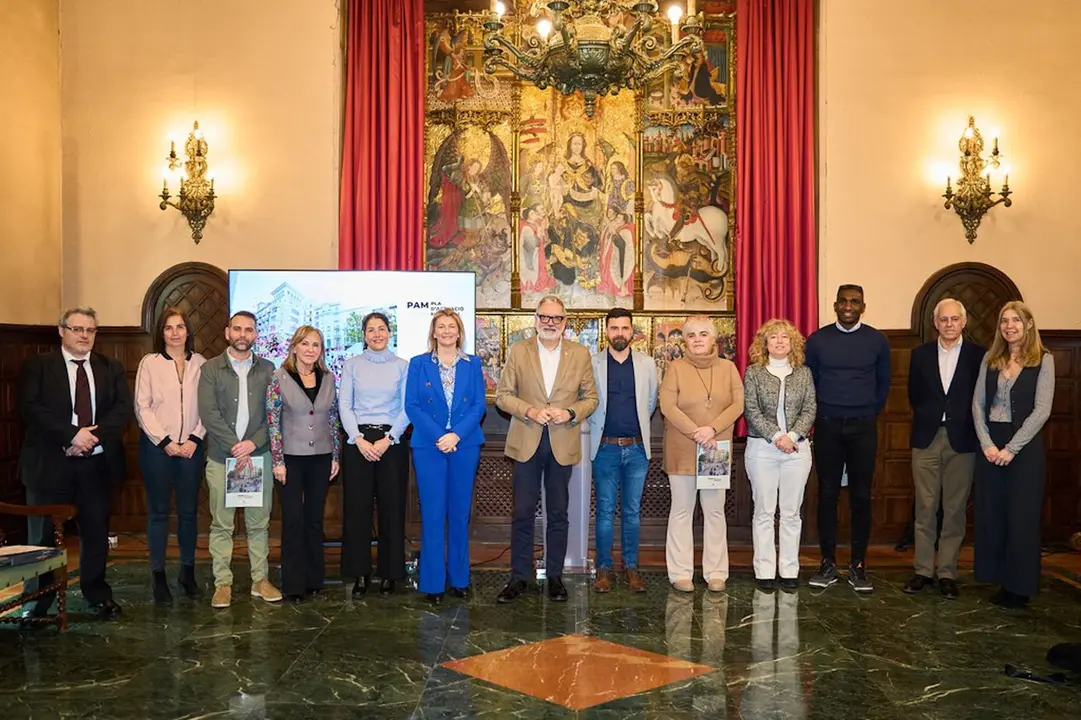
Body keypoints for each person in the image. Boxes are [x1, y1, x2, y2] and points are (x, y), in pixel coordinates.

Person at [17, 306, 132, 619]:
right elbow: (30, 408)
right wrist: (71, 436)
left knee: (95, 533)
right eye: (77, 329)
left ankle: (96, 593)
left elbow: (122, 410)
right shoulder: (38, 365)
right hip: (50, 464)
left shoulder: (111, 366)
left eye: (90, 330)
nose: (84, 335)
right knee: (41, 539)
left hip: (95, 465)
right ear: (61, 331)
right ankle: (38, 601)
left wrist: (89, 439)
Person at [494, 295, 598, 603]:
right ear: (536, 319)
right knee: (523, 512)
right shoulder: (519, 351)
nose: (549, 323)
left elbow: (591, 399)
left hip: (562, 439)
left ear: (565, 322)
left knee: (558, 512)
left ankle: (555, 576)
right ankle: (519, 577)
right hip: (526, 439)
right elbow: (502, 396)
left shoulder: (580, 354)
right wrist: (529, 411)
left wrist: (569, 413)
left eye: (556, 318)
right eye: (544, 317)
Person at [805, 284, 890, 593]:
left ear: (863, 306)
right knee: (827, 494)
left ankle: (858, 565)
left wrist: (866, 410)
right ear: (835, 305)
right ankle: (827, 563)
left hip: (863, 427)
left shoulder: (877, 341)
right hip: (827, 425)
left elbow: (883, 384)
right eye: (844, 301)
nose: (849, 306)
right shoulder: (818, 340)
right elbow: (810, 381)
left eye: (855, 301)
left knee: (861, 496)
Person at [972, 301, 1055, 609]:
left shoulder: (1043, 360)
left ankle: (1019, 587)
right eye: (1004, 321)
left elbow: (1042, 410)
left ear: (1028, 325)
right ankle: (999, 580)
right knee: (993, 515)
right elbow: (978, 405)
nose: (1009, 326)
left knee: (1022, 519)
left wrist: (1011, 449)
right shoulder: (990, 359)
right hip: (992, 444)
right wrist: (987, 444)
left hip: (1025, 448)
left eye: (1016, 321)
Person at [197, 310, 280, 608]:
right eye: (238, 329)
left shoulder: (270, 369)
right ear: (227, 332)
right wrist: (236, 446)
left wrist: (251, 445)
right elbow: (209, 414)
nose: (243, 334)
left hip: (258, 459)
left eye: (249, 330)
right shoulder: (210, 369)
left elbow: (273, 417)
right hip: (223, 458)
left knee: (259, 524)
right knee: (222, 525)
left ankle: (260, 579)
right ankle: (223, 583)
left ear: (256, 335)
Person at [904, 299, 985, 600]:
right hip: (926, 438)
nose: (949, 324)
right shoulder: (920, 355)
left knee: (953, 509)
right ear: (935, 323)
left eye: (955, 319)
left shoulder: (980, 356)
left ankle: (947, 572)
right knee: (925, 507)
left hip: (962, 440)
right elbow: (915, 394)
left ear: (964, 322)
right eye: (943, 319)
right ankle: (923, 570)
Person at [405, 309, 486, 605]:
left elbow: (478, 406)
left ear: (459, 332)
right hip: (429, 446)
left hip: (464, 445)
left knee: (459, 513)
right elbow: (412, 405)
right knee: (433, 514)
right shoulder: (418, 364)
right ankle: (433, 583)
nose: (447, 331)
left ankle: (460, 579)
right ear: (434, 332)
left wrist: (456, 435)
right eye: (442, 326)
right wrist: (440, 435)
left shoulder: (472, 364)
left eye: (452, 326)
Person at [659, 315, 743, 593]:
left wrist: (712, 429)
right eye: (692, 335)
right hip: (682, 448)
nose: (697, 339)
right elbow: (668, 406)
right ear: (685, 340)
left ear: (713, 338)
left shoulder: (728, 368)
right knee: (682, 511)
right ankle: (680, 572)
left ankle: (716, 571)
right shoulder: (675, 368)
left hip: (715, 451)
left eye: (703, 334)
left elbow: (737, 404)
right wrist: (697, 432)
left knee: (714, 511)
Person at [134, 306, 207, 604]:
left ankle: (187, 573)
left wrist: (193, 438)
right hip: (157, 449)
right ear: (161, 332)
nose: (175, 332)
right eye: (169, 327)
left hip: (192, 448)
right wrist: (164, 441)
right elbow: (142, 406)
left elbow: (208, 406)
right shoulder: (149, 363)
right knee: (159, 513)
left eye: (180, 327)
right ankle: (158, 576)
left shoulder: (201, 363)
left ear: (188, 331)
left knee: (189, 513)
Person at [266, 325, 341, 602]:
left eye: (316, 345)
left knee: (314, 519)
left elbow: (333, 419)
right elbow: (273, 421)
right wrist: (277, 460)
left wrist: (335, 455)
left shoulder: (329, 378)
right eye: (306, 344)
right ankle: (293, 584)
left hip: (321, 458)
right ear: (295, 346)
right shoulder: (279, 377)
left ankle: (314, 579)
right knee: (293, 520)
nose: (311, 350)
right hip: (290, 460)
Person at [339, 312, 410, 597]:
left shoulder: (402, 366)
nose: (377, 334)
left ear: (390, 332)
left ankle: (390, 574)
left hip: (391, 442)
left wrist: (389, 438)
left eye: (382, 329)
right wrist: (357, 438)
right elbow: (345, 404)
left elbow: (408, 406)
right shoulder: (352, 364)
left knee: (392, 509)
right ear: (363, 335)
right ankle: (359, 573)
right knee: (357, 510)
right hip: (358, 442)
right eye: (371, 330)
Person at [587, 308, 658, 594]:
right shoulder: (592, 364)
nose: (619, 333)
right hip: (604, 449)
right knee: (604, 512)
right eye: (614, 328)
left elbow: (650, 402)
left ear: (632, 331)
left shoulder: (647, 364)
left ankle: (631, 568)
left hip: (637, 450)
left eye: (624, 328)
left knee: (632, 512)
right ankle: (603, 569)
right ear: (606, 331)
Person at [743, 319, 816, 591]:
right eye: (773, 338)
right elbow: (751, 410)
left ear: (793, 343)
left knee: (791, 512)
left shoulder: (804, 373)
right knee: (763, 511)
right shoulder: (753, 373)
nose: (779, 342)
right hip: (762, 449)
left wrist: (793, 437)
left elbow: (810, 409)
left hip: (797, 450)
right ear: (764, 343)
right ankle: (764, 571)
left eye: (784, 337)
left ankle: (788, 569)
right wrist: (777, 437)